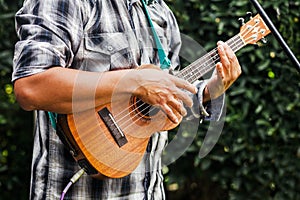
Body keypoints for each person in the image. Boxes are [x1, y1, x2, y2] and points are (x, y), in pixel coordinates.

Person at [12, 0, 241, 199]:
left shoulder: (159, 12)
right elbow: (32, 86)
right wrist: (132, 82)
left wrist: (211, 90)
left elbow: (161, 99)